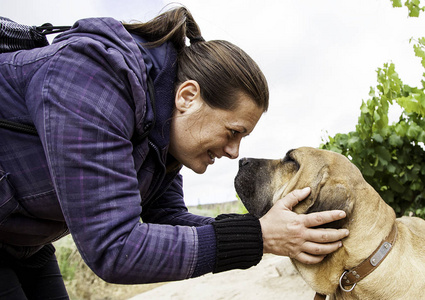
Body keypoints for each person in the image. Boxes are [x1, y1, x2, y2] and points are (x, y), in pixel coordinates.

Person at [0, 6, 348, 299]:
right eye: (233, 132)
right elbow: (115, 249)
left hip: (24, 242)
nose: (233, 152)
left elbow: (170, 221)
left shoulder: (162, 139)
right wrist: (260, 237)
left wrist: (262, 229)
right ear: (187, 97)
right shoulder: (93, 80)